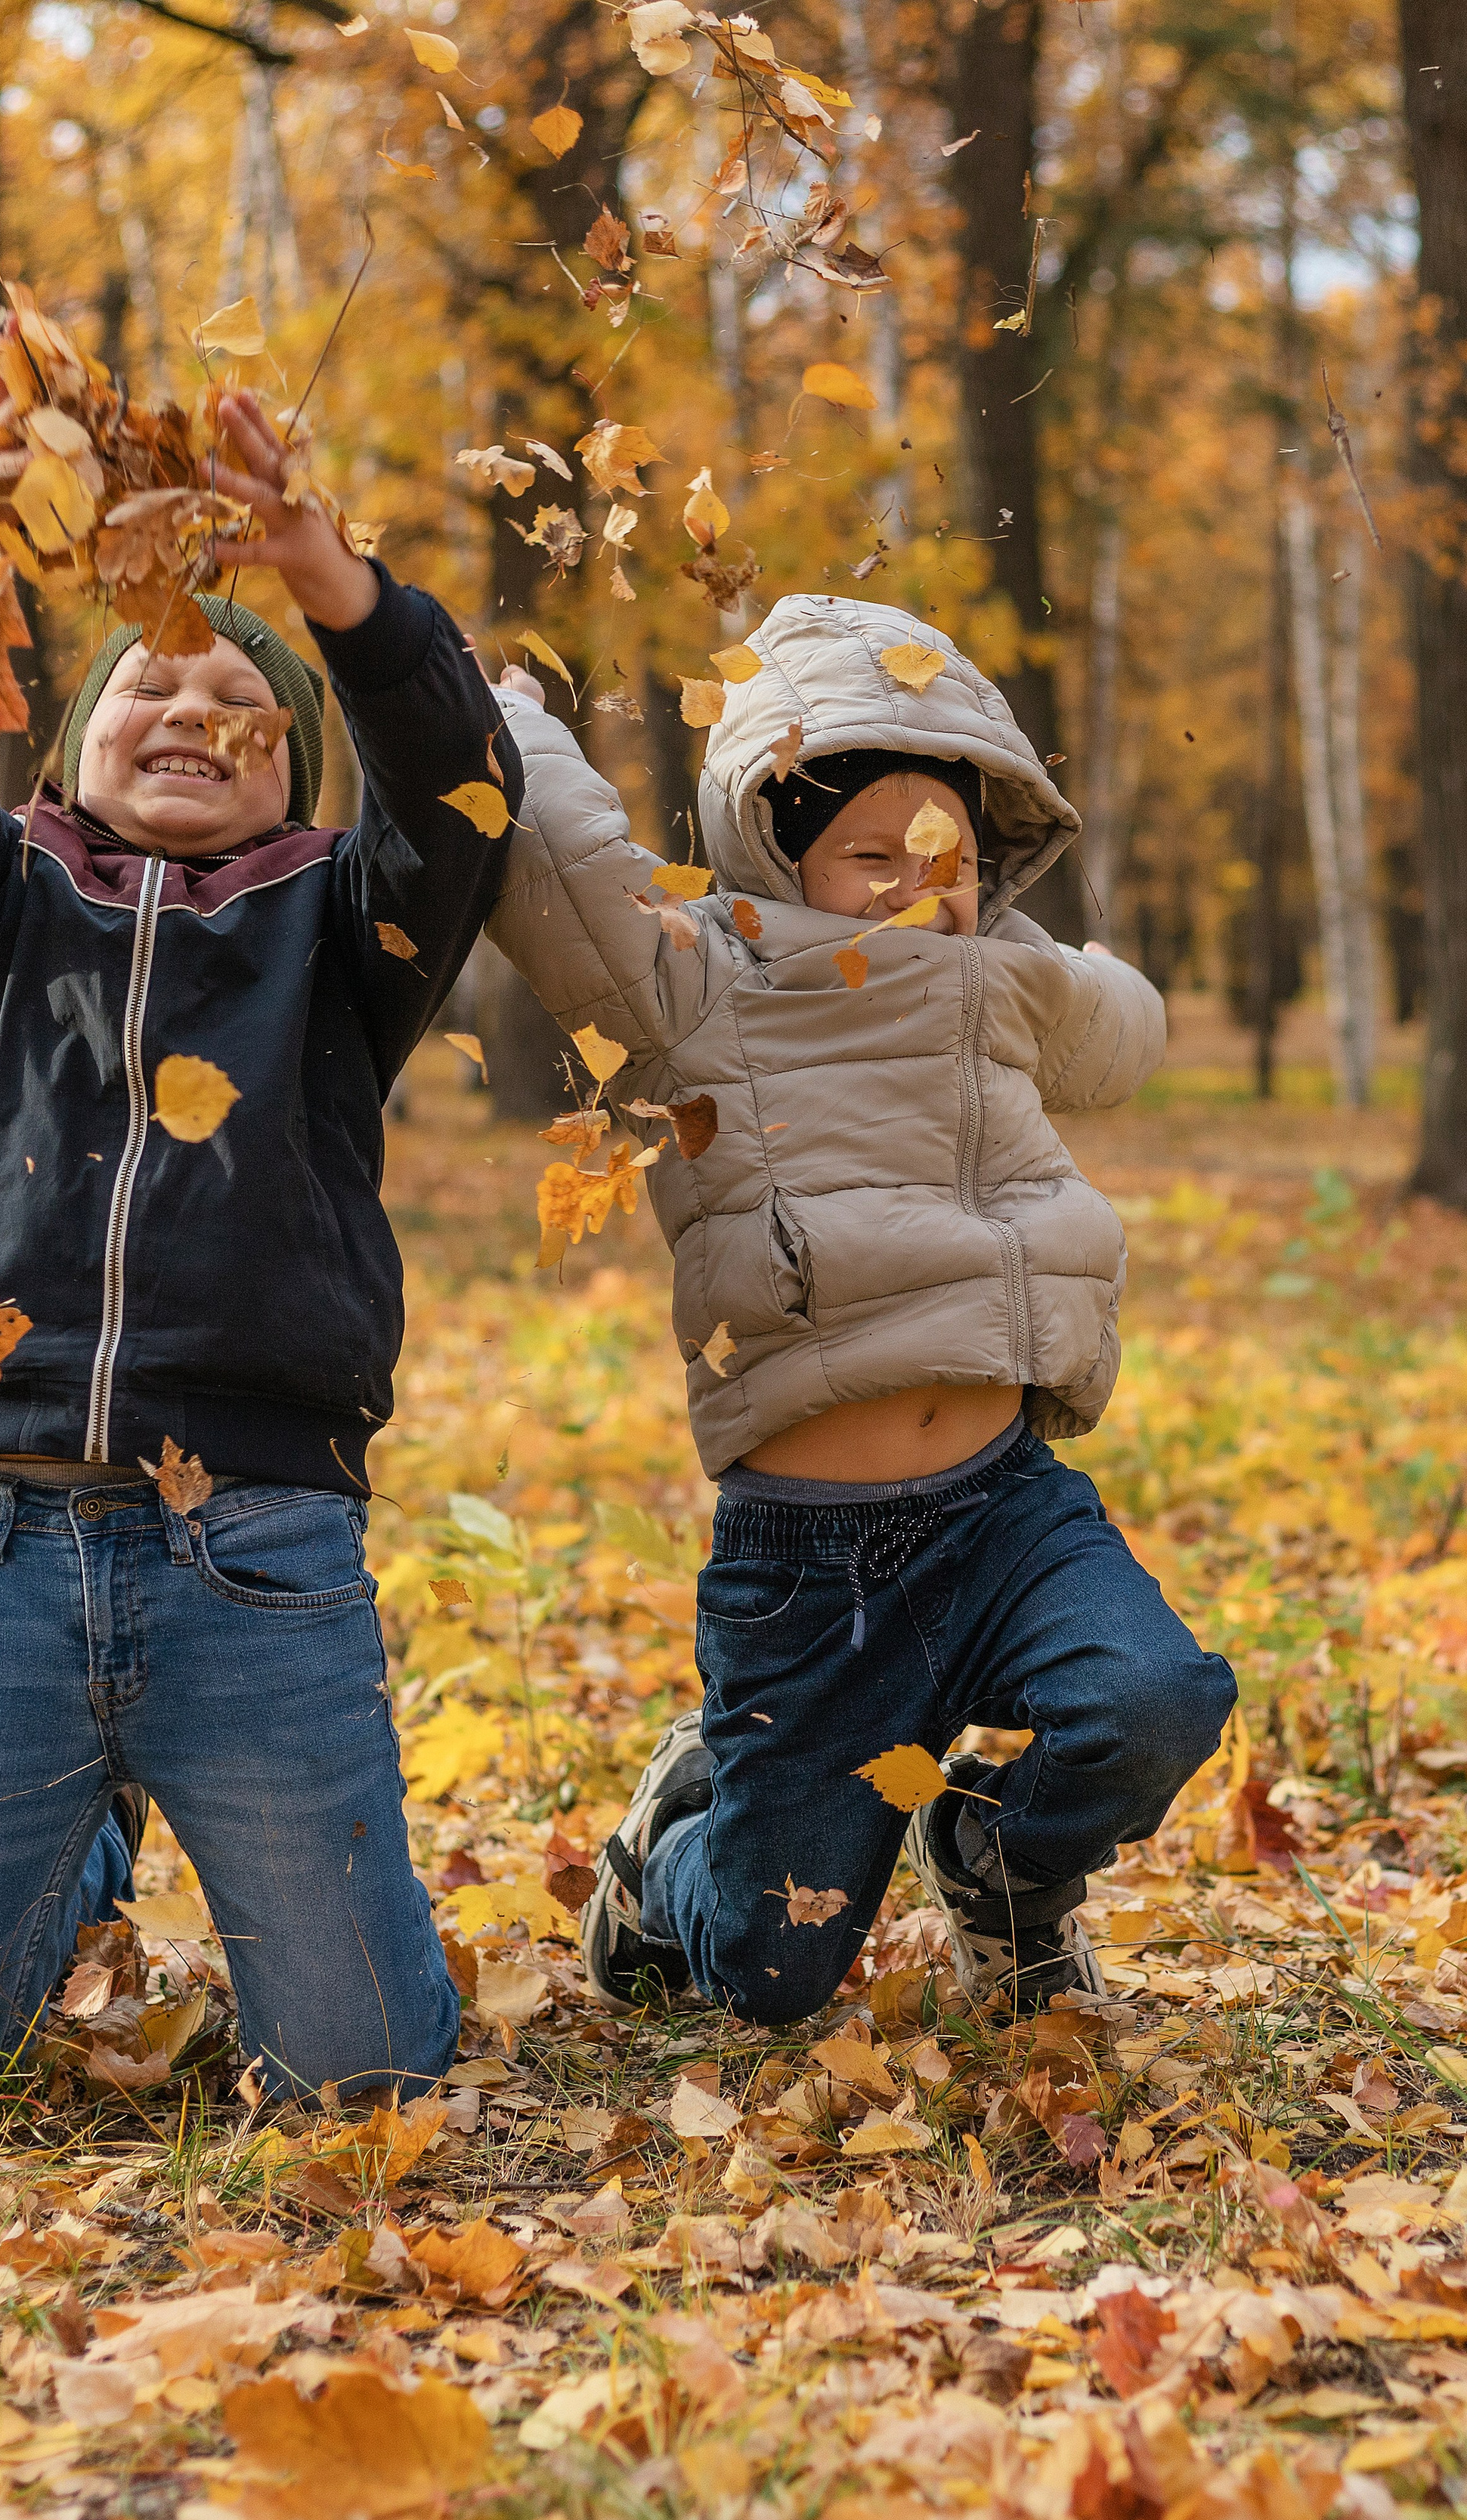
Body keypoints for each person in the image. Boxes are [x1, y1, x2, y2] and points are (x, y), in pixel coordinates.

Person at [0, 360, 517, 2101]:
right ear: (69, 741)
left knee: (361, 2085)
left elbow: (462, 785)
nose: (195, 708)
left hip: (258, 1558)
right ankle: (75, 1836)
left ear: (297, 779)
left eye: (246, 700)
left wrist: (324, 575)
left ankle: (135, 1813)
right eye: (153, 680)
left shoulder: (341, 934)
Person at [489, 596, 1236, 2020]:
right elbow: (573, 882)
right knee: (776, 1970)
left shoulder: (998, 981)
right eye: (871, 857)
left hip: (1003, 1508)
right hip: (808, 1565)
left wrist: (1070, 970)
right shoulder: (707, 979)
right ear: (782, 854)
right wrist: (511, 724)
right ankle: (674, 1854)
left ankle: (1002, 1868)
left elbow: (1123, 1034)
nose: (914, 889)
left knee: (1154, 1702)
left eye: (949, 858)